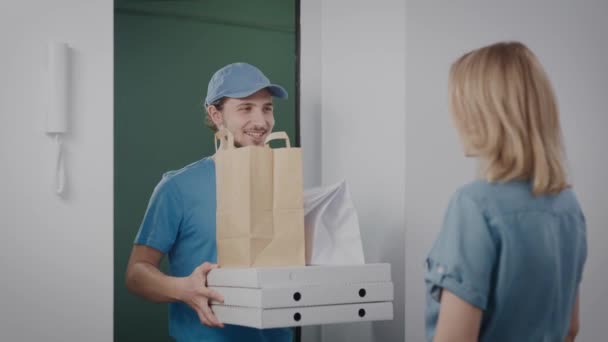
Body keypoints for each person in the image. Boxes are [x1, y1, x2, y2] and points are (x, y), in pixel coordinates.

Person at [425, 42, 587, 342]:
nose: (454, 119)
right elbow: (571, 328)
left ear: (483, 115)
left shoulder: (474, 206)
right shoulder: (568, 206)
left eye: (459, 106)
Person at [125, 62, 293, 342]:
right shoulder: (177, 187)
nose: (261, 122)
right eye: (246, 108)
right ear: (216, 115)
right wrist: (183, 290)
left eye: (267, 108)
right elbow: (136, 274)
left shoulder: (286, 184)